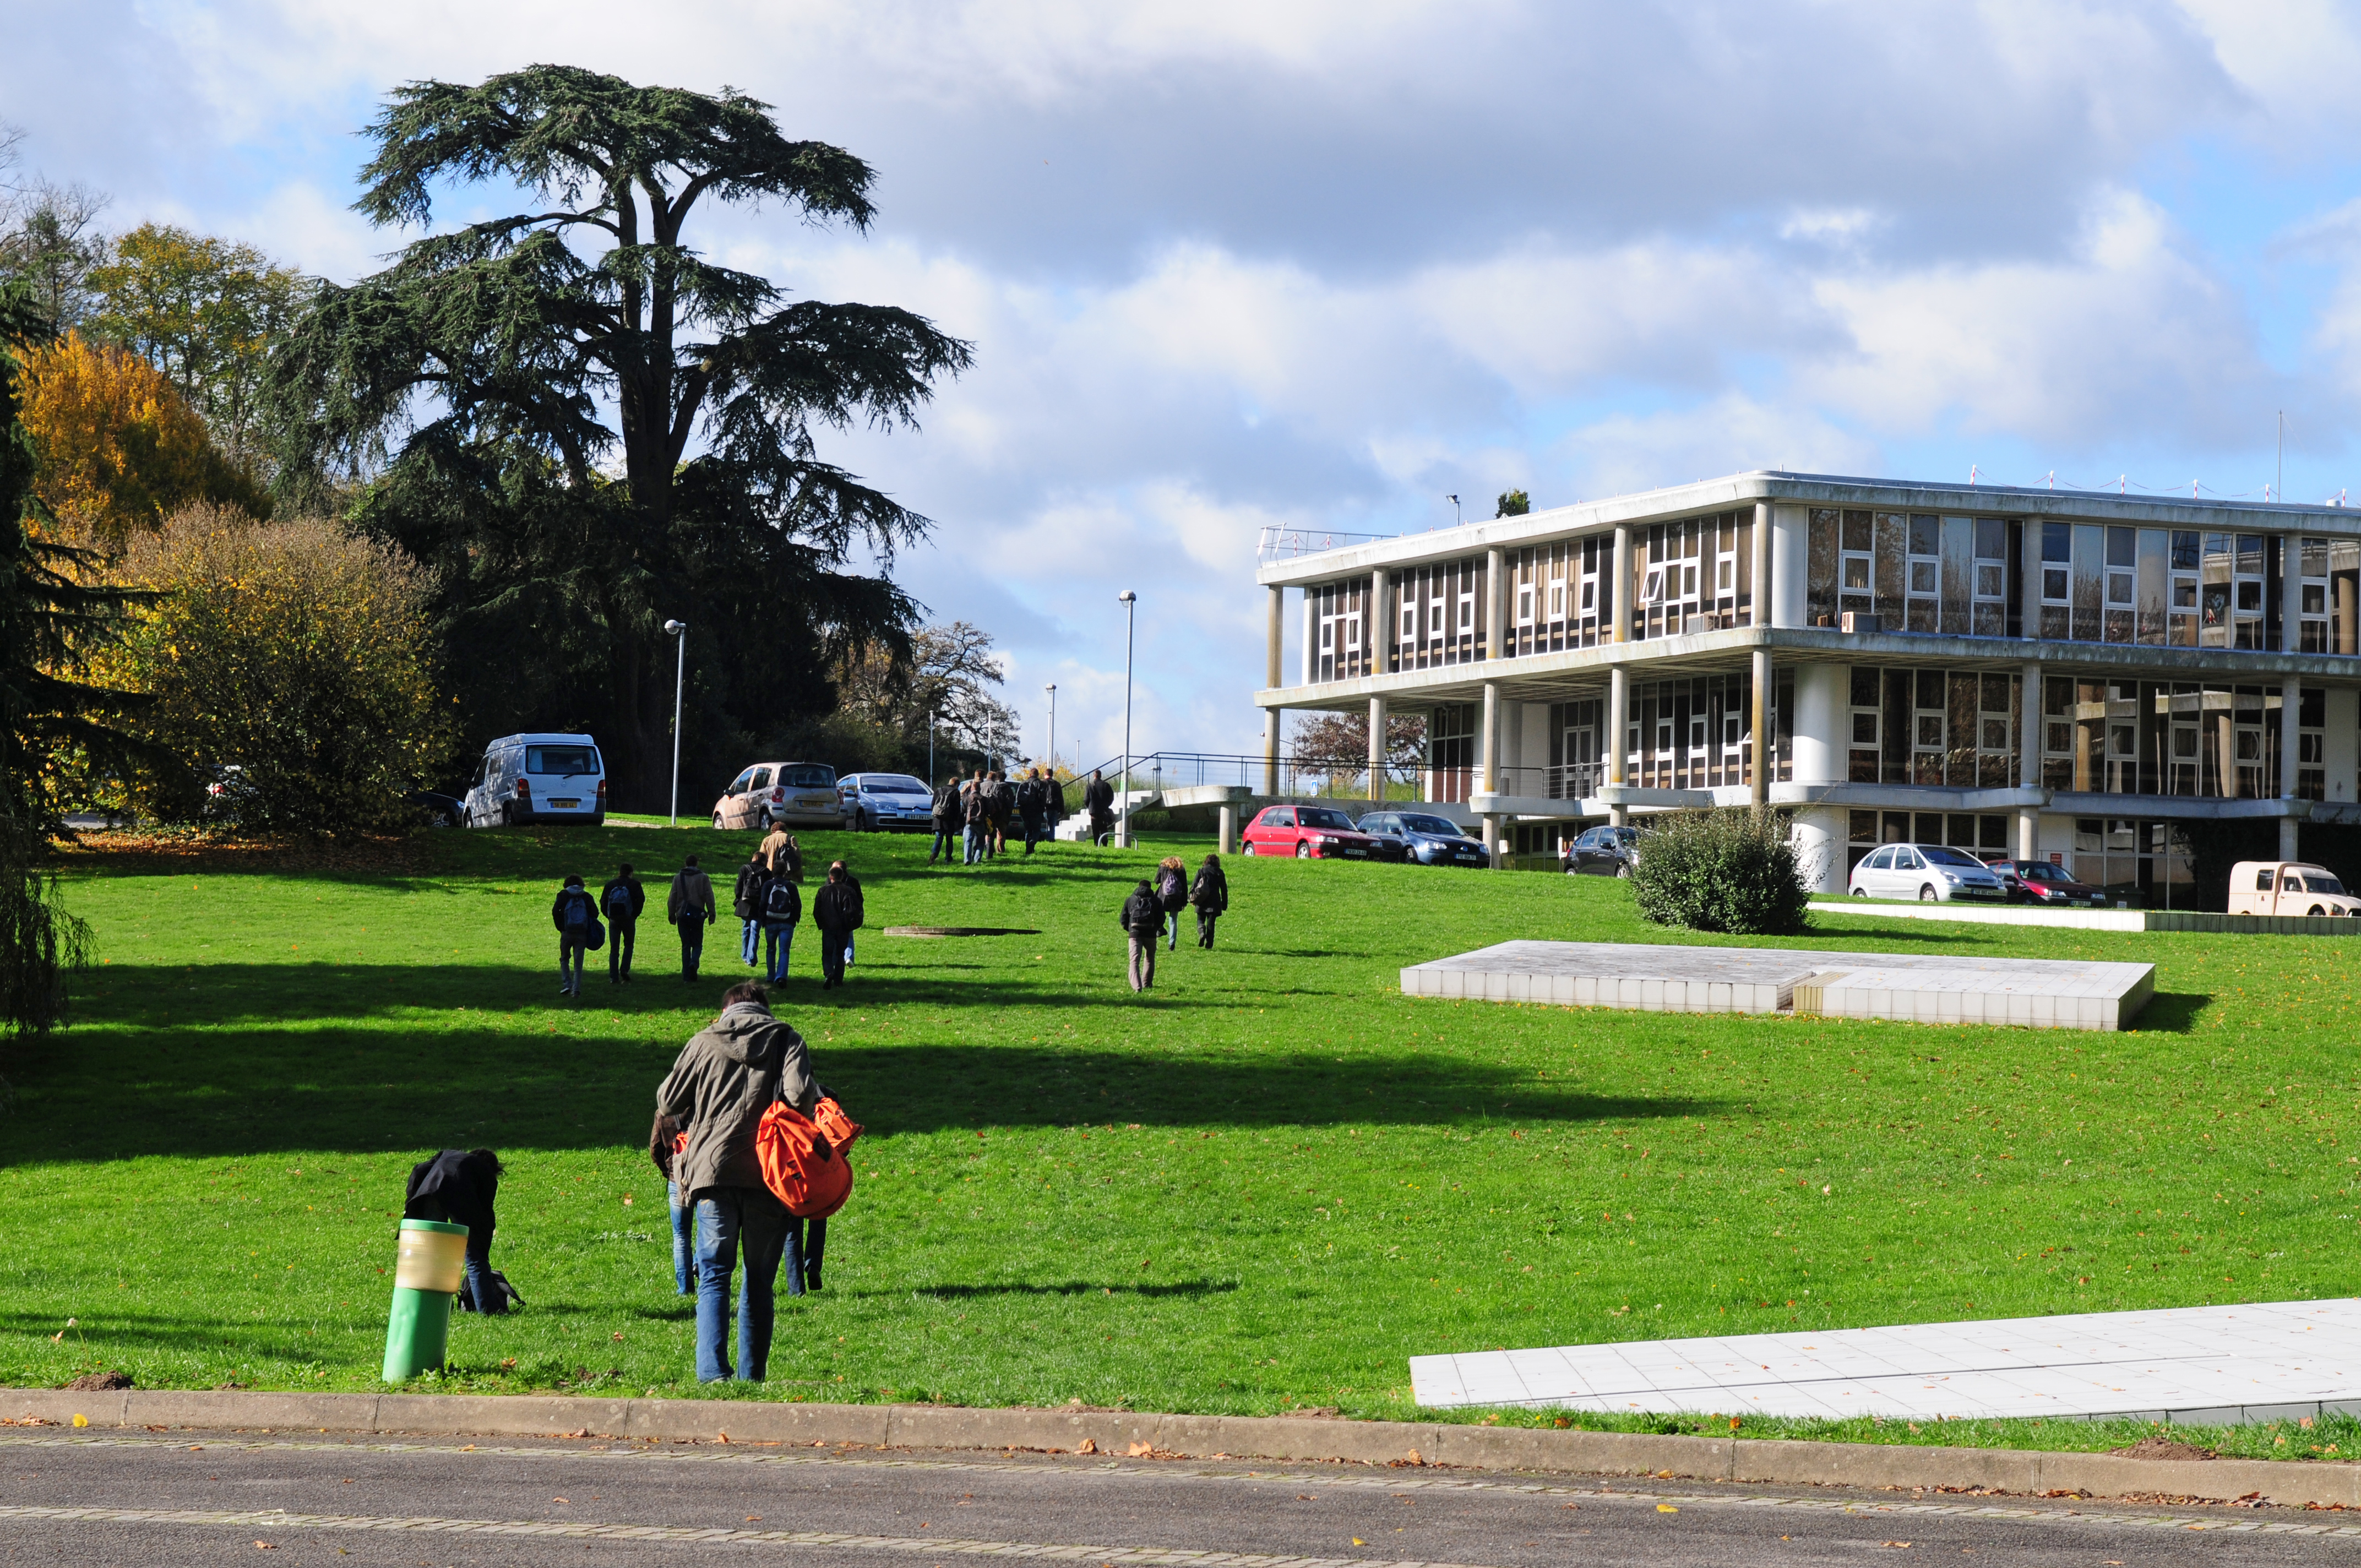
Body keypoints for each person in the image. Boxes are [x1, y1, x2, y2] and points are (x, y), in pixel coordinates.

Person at [652, 981, 817, 1382]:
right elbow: (800, 1098)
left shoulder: (704, 1041)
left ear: (726, 1010)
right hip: (768, 1172)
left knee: (713, 1274)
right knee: (760, 1280)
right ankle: (751, 1376)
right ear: (764, 1008)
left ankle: (711, 1372)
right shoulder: (786, 1040)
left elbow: (667, 1101)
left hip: (713, 1172)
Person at [404, 1148, 508, 1314]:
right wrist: (482, 1249)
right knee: (475, 1259)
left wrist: (410, 1202)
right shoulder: (486, 1173)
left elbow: (419, 1170)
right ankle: (488, 1309)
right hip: (461, 1200)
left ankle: (438, 1307)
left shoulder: (448, 1154)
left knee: (434, 1254)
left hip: (431, 1193)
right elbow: (485, 1215)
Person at [649, 1112, 695, 1295]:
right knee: (709, 1231)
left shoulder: (663, 1112)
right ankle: (704, 1271)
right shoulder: (703, 1104)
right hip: (704, 1179)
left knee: (681, 1236)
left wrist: (668, 1171)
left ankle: (685, 1289)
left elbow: (655, 1149)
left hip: (677, 1179)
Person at [814, 861, 864, 989]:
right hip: (843, 927)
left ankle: (829, 972)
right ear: (842, 877)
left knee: (827, 953)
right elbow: (854, 908)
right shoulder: (849, 891)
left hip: (828, 927)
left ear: (831, 877)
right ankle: (838, 980)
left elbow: (817, 911)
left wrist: (822, 924)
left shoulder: (823, 891)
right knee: (841, 955)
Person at [667, 855, 717, 981]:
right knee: (697, 943)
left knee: (685, 945)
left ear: (685, 863)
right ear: (697, 864)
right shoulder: (703, 878)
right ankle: (694, 962)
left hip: (682, 914)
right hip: (697, 914)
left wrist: (672, 914)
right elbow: (709, 896)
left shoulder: (678, 877)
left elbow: (673, 897)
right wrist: (712, 913)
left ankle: (686, 976)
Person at [551, 874, 602, 997]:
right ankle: (576, 990)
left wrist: (561, 927)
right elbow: (595, 913)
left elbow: (555, 911)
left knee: (564, 958)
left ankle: (567, 983)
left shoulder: (563, 895)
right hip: (582, 933)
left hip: (567, 932)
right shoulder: (586, 897)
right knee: (578, 963)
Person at [601, 863, 645, 984]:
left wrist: (609, 916)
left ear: (619, 872)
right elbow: (641, 901)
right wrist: (634, 915)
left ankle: (613, 977)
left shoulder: (610, 884)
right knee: (629, 945)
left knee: (614, 948)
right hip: (629, 919)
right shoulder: (635, 884)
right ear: (631, 873)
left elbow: (603, 902)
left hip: (614, 919)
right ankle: (625, 970)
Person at [758, 865, 802, 983]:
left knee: (771, 949)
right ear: (785, 872)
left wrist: (763, 919)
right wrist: (794, 919)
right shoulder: (791, 886)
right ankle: (781, 976)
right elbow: (797, 904)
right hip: (787, 922)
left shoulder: (768, 885)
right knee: (784, 950)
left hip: (770, 921)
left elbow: (763, 903)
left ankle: (770, 976)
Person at [1119, 878, 1163, 991]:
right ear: (1150, 888)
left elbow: (1123, 919)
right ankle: (1147, 983)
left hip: (1135, 934)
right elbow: (1162, 918)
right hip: (1151, 934)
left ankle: (1137, 987)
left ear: (1139, 887)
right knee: (1150, 958)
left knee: (1134, 961)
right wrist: (1155, 929)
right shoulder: (1156, 900)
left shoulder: (1130, 900)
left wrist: (1130, 930)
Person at [733, 850, 768, 967]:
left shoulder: (744, 869)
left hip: (745, 903)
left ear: (754, 858)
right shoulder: (767, 872)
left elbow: (738, 888)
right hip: (759, 905)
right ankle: (751, 958)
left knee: (746, 929)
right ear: (764, 861)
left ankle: (744, 955)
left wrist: (739, 899)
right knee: (755, 931)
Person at [1190, 852, 1229, 948]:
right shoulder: (1220, 873)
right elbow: (1224, 889)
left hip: (1202, 899)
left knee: (1200, 920)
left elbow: (1194, 886)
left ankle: (1202, 932)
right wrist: (1224, 904)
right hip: (1215, 902)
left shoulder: (1202, 871)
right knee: (1211, 924)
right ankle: (1209, 944)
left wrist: (1192, 899)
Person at [1154, 855, 1189, 952]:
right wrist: (1184, 902)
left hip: (1163, 898)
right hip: (1177, 899)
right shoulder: (1181, 870)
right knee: (1173, 921)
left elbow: (1156, 880)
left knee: (1157, 916)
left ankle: (1160, 930)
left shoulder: (1163, 868)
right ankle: (1171, 944)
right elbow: (1185, 886)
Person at [928, 775, 962, 865]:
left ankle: (934, 855)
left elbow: (933, 805)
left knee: (939, 838)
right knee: (949, 839)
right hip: (949, 820)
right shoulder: (956, 792)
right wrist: (957, 822)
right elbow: (957, 809)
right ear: (956, 784)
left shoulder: (938, 790)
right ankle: (948, 858)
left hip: (938, 819)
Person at [960, 769, 987, 865]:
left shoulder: (969, 783)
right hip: (981, 820)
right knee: (980, 841)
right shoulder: (985, 785)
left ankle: (967, 859)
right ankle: (977, 859)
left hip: (969, 820)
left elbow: (961, 794)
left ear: (975, 774)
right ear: (984, 775)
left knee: (968, 841)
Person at [1085, 769, 1116, 847]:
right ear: (1101, 776)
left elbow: (1086, 799)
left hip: (1094, 811)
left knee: (1095, 829)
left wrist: (1090, 806)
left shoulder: (1090, 786)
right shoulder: (1106, 785)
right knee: (1104, 827)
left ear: (1094, 776)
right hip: (1103, 810)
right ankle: (1105, 843)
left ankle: (1096, 844)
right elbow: (1111, 797)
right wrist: (1107, 805)